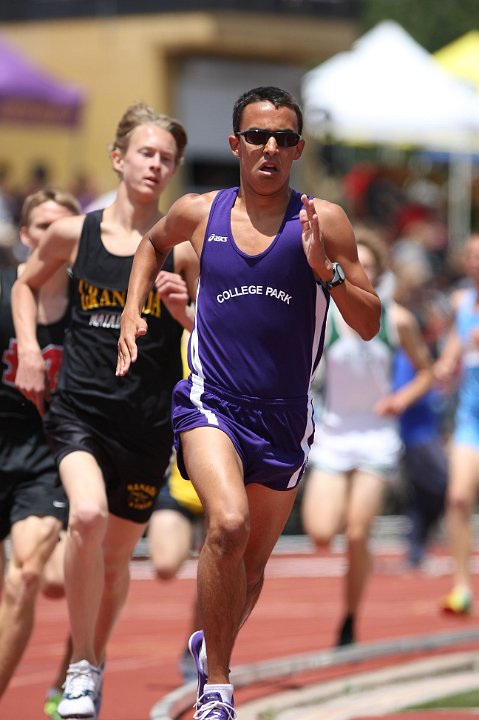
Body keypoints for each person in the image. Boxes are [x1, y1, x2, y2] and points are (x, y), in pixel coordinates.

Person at [117, 86, 381, 720]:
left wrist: (330, 272)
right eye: (258, 137)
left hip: (286, 416)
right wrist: (133, 310)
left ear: (298, 148)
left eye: (284, 139)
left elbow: (369, 323)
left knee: (252, 568)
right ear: (236, 144)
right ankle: (218, 686)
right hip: (212, 403)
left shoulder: (326, 221)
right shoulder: (198, 212)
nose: (270, 149)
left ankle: (216, 635)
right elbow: (152, 243)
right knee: (227, 525)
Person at [11, 102, 198, 720]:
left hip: (145, 423)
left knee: (117, 563)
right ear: (119, 159)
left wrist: (184, 314)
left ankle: (93, 657)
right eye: (147, 152)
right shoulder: (75, 234)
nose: (157, 164)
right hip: (80, 414)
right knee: (86, 517)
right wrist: (33, 351)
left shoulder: (182, 248)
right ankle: (82, 670)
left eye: (167, 158)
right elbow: (24, 283)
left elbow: (213, 332)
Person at [300, 228, 434, 648]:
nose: (363, 273)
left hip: (377, 437)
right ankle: (346, 513)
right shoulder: (328, 314)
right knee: (321, 531)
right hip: (335, 434)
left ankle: (350, 618)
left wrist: (400, 399)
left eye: (370, 268)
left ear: (377, 273)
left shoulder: (397, 320)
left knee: (358, 533)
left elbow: (427, 371)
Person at [0, 188, 80, 705]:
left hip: (48, 457)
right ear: (26, 236)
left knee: (26, 577)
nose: (54, 237)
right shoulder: (4, 298)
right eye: (43, 227)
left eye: (65, 227)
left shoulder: (95, 307)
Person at [435, 233, 479, 615]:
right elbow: (454, 345)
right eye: (470, 256)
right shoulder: (462, 302)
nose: (474, 262)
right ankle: (462, 587)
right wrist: (446, 366)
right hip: (470, 418)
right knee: (459, 498)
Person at [147, 456, 204, 683]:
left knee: (217, 575)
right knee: (164, 565)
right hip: (180, 486)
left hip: (230, 489)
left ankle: (199, 651)